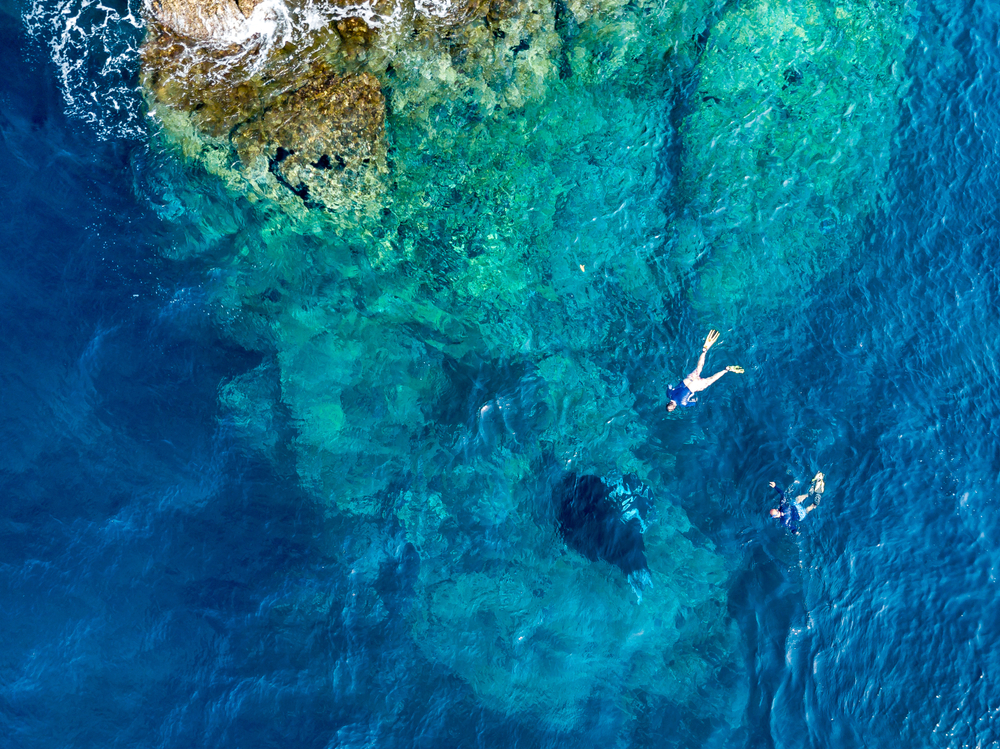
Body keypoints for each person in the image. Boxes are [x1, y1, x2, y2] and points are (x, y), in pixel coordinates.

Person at [666, 330, 744, 412]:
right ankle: (704, 350)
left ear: (674, 407)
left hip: (695, 386)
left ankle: (726, 369)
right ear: (668, 403)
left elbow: (694, 402)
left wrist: (693, 398)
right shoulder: (669, 394)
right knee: (699, 367)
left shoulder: (683, 403)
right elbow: (669, 385)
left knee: (711, 379)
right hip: (689, 379)